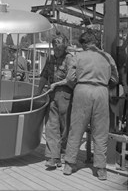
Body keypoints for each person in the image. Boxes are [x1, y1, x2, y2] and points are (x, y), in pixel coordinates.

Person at [63, 30, 119, 180]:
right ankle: (101, 169)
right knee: (100, 131)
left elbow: (70, 78)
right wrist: (104, 84)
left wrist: (78, 85)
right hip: (101, 91)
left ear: (84, 44)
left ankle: (69, 164)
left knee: (76, 128)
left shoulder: (78, 56)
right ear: (95, 42)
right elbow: (115, 78)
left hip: (82, 90)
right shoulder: (107, 57)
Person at [36, 34, 74, 168]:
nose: (57, 51)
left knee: (65, 126)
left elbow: (71, 79)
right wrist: (37, 93)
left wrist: (57, 85)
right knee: (51, 126)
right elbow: (44, 76)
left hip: (65, 94)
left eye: (59, 49)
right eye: (55, 49)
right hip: (52, 95)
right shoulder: (50, 59)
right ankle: (53, 156)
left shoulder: (70, 59)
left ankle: (64, 153)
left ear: (64, 48)